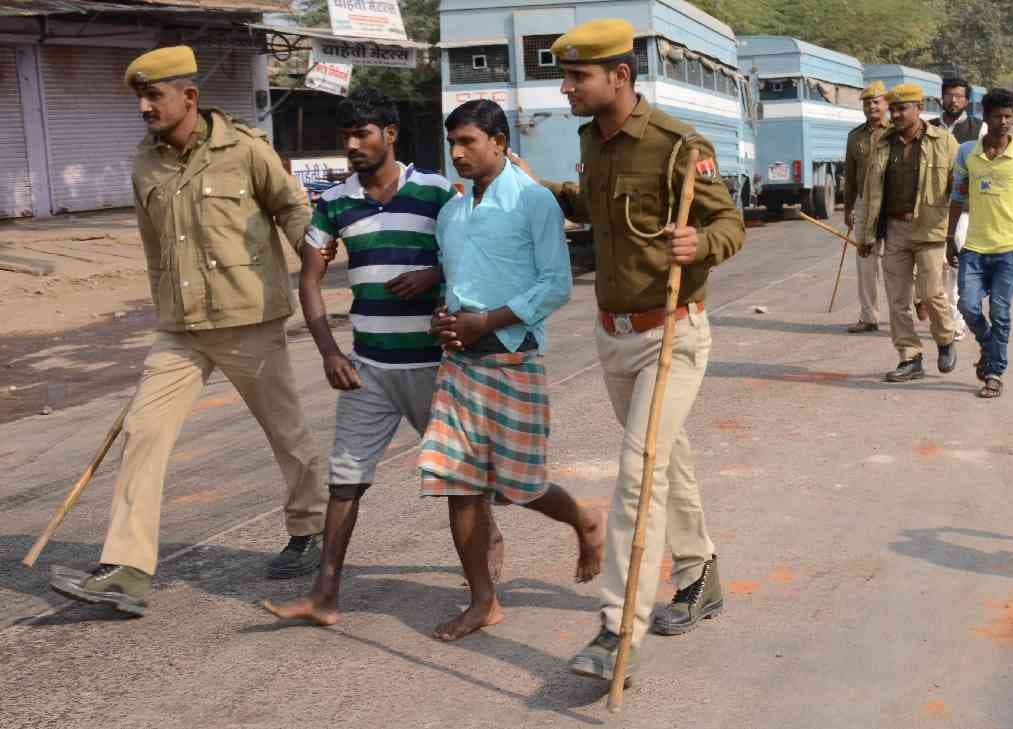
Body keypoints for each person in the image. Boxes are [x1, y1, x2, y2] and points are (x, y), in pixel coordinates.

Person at [49, 46, 326, 616]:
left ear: (189, 97)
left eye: (154, 95)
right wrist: (164, 308)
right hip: (180, 329)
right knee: (143, 432)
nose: (144, 107)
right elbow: (155, 249)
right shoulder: (143, 164)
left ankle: (312, 529)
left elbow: (291, 208)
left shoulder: (245, 149)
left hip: (249, 318)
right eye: (140, 97)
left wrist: (314, 251)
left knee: (288, 435)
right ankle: (127, 569)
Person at [511, 18, 745, 681]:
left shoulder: (678, 146)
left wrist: (702, 244)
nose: (565, 89)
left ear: (620, 75)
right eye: (565, 76)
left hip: (673, 332)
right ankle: (701, 574)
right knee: (665, 457)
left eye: (576, 76)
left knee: (638, 474)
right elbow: (593, 206)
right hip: (614, 335)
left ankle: (617, 629)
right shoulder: (594, 139)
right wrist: (542, 189)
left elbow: (728, 221)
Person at [263, 89, 506, 627]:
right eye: (345, 135)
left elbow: (481, 256)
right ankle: (324, 595)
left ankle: (485, 590)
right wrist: (329, 350)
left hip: (435, 367)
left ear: (390, 134)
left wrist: (434, 274)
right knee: (345, 479)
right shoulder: (334, 203)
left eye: (363, 133)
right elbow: (309, 277)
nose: (352, 145)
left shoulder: (438, 193)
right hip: (367, 368)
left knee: (460, 482)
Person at [412, 99, 606, 642]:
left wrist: (488, 323)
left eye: (469, 141)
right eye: (452, 143)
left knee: (521, 486)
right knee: (458, 484)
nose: (457, 153)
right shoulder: (451, 212)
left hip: (513, 361)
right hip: (458, 368)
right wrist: (445, 321)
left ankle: (585, 520)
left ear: (499, 142)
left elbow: (555, 284)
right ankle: (483, 602)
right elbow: (457, 286)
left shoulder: (534, 201)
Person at [859, 83, 959, 383]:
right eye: (895, 109)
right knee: (897, 300)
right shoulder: (882, 144)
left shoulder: (944, 141)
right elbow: (869, 192)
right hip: (894, 230)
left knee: (931, 294)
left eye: (904, 108)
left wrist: (955, 231)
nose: (898, 114)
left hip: (930, 228)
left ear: (919, 108)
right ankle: (910, 357)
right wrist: (865, 236)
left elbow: (959, 188)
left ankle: (944, 338)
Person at [947, 88, 1013, 399]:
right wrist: (950, 237)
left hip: (1008, 250)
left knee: (1001, 312)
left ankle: (994, 373)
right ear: (985, 118)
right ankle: (989, 344)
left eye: (1008, 117)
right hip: (974, 247)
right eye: (998, 117)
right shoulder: (966, 153)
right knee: (967, 306)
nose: (1004, 122)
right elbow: (958, 196)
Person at [930, 76, 985, 341]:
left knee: (955, 263)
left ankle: (957, 320)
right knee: (937, 266)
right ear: (941, 97)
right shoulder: (929, 128)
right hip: (932, 208)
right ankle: (945, 315)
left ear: (967, 101)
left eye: (959, 96)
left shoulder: (979, 129)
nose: (954, 100)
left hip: (964, 209)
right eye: (949, 95)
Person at [841, 80, 888, 334]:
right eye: (867, 102)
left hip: (891, 205)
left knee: (897, 260)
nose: (871, 106)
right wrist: (849, 208)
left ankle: (909, 305)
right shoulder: (855, 137)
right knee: (865, 260)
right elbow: (850, 177)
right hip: (863, 204)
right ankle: (869, 316)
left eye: (876, 101)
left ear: (886, 104)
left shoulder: (895, 132)